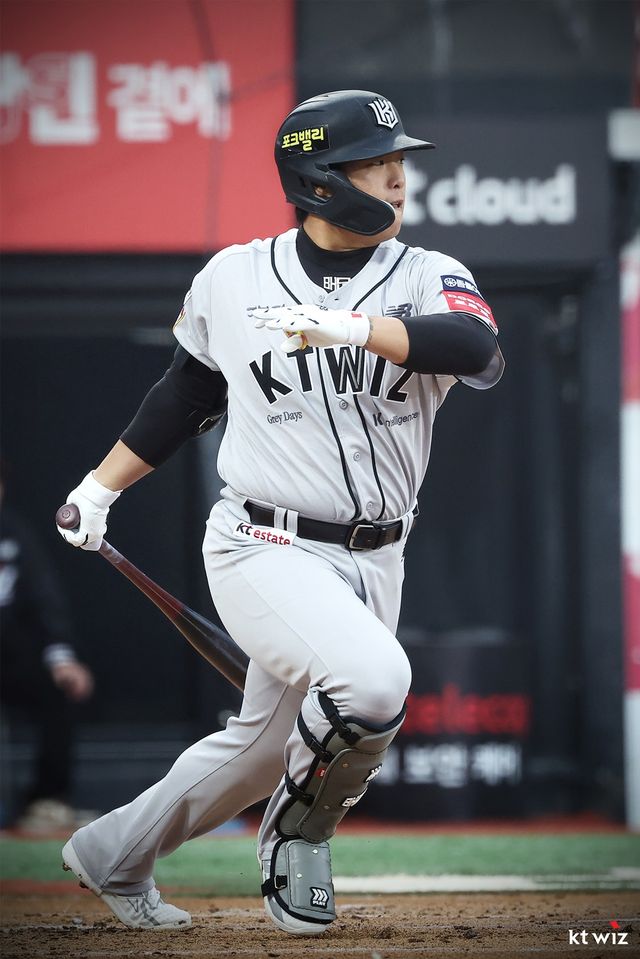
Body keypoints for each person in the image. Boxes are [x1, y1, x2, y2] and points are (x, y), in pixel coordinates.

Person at [57, 90, 504, 935]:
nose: (398, 177)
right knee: (372, 684)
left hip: (378, 554)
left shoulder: (426, 273)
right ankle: (299, 838)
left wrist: (353, 327)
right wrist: (97, 489)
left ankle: (112, 851)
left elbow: (477, 348)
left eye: (398, 160)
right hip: (264, 541)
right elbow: (184, 394)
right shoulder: (234, 277)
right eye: (375, 162)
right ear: (320, 179)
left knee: (262, 750)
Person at [0, 478, 95, 832]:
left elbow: (44, 598)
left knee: (61, 689)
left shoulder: (14, 532)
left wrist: (61, 658)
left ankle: (47, 801)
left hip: (13, 656)